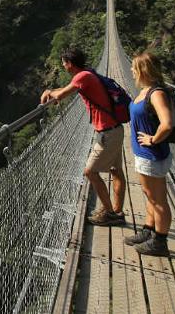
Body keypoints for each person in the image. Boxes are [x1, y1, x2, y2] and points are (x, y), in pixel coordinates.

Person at [40, 48, 126, 226]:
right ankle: (117, 212)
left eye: (64, 63)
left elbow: (62, 94)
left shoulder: (82, 77)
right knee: (116, 172)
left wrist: (50, 91)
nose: (63, 66)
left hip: (107, 134)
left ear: (70, 63)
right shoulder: (88, 73)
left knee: (90, 171)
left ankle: (110, 213)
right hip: (114, 129)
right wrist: (53, 90)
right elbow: (67, 89)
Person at [123, 52, 173, 256]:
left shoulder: (156, 93)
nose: (132, 71)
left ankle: (160, 242)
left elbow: (167, 123)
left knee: (158, 199)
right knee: (150, 196)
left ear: (143, 70)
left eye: (135, 67)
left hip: (152, 154)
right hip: (144, 154)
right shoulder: (146, 90)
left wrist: (152, 139)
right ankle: (149, 230)